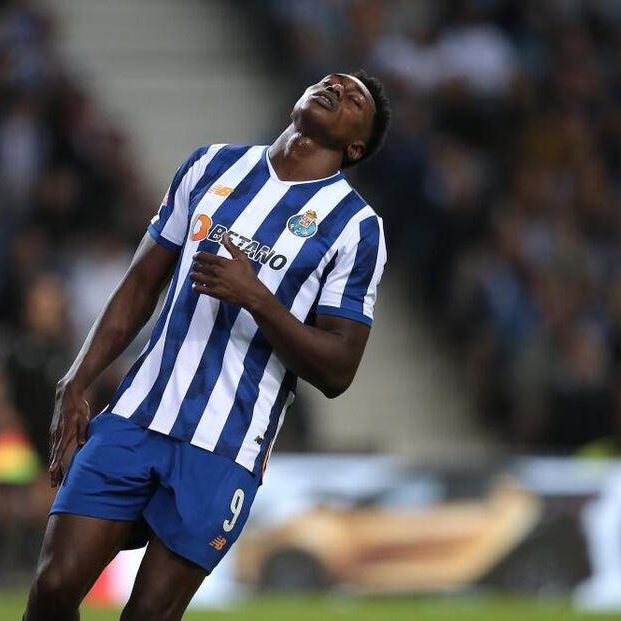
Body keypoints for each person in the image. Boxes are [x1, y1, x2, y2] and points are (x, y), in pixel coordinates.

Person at [23, 71, 391, 621]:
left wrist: (258, 298)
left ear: (356, 145)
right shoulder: (210, 165)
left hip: (225, 446)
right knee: (53, 588)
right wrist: (76, 380)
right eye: (329, 81)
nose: (336, 88)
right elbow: (139, 285)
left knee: (148, 613)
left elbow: (338, 370)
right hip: (135, 416)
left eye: (353, 97)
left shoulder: (356, 229)